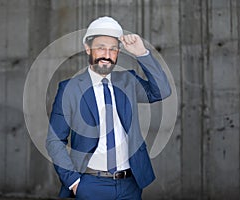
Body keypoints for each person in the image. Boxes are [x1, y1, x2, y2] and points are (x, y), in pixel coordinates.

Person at [46, 16, 171, 200]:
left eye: (113, 49)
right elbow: (54, 141)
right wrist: (73, 182)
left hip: (130, 184)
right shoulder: (70, 89)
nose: (107, 54)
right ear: (88, 48)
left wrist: (142, 53)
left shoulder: (127, 81)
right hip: (89, 184)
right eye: (101, 47)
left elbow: (161, 91)